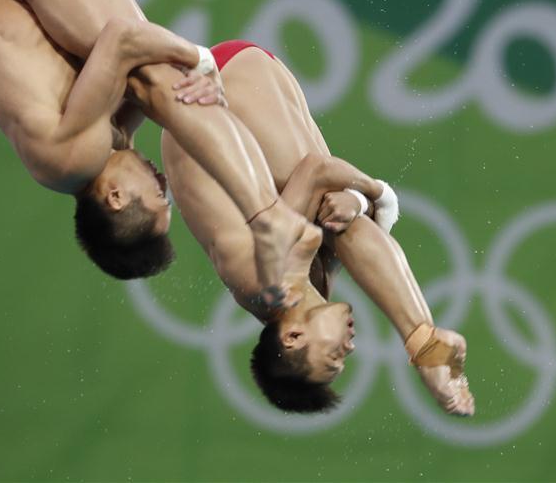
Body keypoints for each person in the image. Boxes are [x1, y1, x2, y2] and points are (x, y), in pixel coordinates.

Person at [0, 0, 310, 295]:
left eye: (158, 196)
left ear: (114, 197)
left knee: (160, 82)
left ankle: (264, 215)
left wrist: (201, 60)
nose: (164, 181)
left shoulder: (70, 160)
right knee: (162, 91)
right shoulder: (100, 145)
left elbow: (122, 39)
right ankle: (266, 212)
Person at [161, 41, 476, 416]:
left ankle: (424, 347)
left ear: (293, 337)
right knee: (339, 222)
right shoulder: (314, 282)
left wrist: (376, 193)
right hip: (259, 81)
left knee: (324, 207)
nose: (350, 349)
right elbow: (361, 219)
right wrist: (362, 201)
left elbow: (316, 171)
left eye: (333, 358)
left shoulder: (263, 279)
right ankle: (427, 345)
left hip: (209, 95)